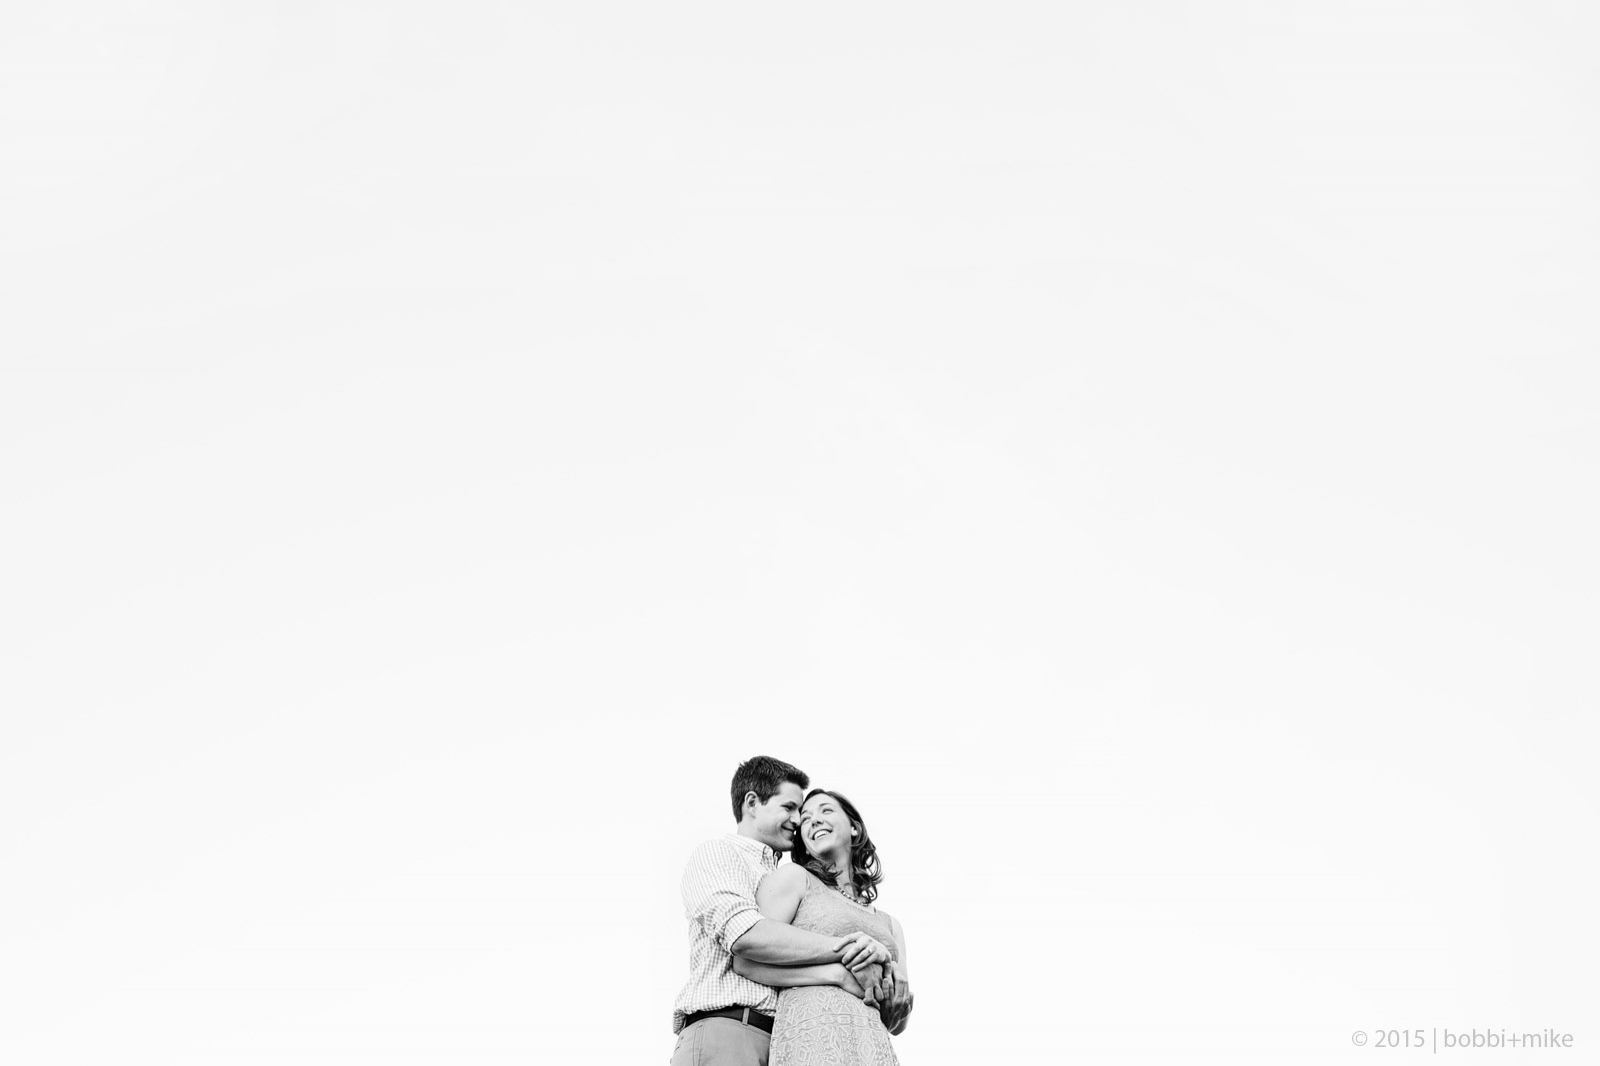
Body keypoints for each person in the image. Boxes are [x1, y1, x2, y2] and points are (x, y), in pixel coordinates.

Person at [673, 757, 896, 1066]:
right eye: (790, 808)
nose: (797, 820)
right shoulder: (720, 854)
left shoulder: (780, 876)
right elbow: (745, 936)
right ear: (752, 803)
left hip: (785, 1039)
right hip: (729, 1028)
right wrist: (852, 951)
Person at [733, 788, 912, 1066]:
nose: (814, 820)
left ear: (854, 828)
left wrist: (900, 1001)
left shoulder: (891, 925)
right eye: (805, 818)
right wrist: (836, 975)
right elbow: (745, 962)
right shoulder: (795, 878)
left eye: (826, 810)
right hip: (812, 1038)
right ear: (804, 842)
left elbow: (896, 1023)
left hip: (873, 1047)